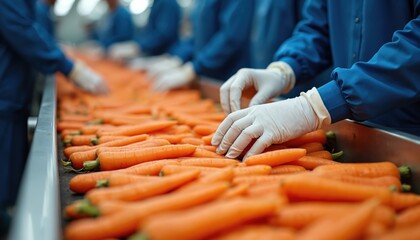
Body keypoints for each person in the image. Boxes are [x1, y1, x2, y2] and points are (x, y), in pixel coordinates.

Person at [212, 0, 420, 160]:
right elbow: (317, 28)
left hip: (408, 133)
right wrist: (284, 69)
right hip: (350, 132)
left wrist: (316, 106)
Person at [0, 0, 108, 233]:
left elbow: (31, 30)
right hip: (4, 94)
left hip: (13, 92)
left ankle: (8, 209)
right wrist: (69, 66)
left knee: (9, 178)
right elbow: (22, 31)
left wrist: (65, 62)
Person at [150, 0, 254, 92]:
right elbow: (197, 36)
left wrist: (195, 68)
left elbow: (232, 35)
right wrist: (177, 58)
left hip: (228, 77)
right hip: (205, 79)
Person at [108, 0, 181, 61]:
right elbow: (150, 33)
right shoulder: (157, 3)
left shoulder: (166, 2)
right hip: (157, 55)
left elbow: (163, 35)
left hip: (166, 56)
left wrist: (137, 46)